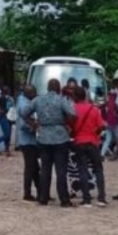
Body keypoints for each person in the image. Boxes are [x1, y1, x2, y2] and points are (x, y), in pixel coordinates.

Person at [30, 78, 76, 207]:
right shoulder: (62, 100)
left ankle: (43, 198)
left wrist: (33, 124)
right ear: (58, 88)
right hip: (60, 137)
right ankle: (64, 200)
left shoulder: (38, 100)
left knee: (45, 169)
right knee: (61, 170)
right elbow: (73, 114)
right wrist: (67, 122)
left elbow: (23, 112)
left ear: (48, 87)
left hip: (43, 136)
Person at [71, 86, 108, 207]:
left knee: (82, 169)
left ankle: (86, 199)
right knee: (98, 169)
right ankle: (101, 197)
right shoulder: (94, 109)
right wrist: (95, 133)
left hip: (79, 142)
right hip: (93, 142)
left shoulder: (73, 109)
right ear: (85, 96)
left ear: (75, 97)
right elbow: (102, 126)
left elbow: (69, 126)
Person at [17, 84, 40, 202]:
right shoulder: (24, 104)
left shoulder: (24, 101)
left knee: (35, 167)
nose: (34, 95)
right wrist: (34, 126)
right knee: (30, 167)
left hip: (29, 140)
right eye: (32, 93)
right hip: (27, 140)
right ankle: (27, 193)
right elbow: (23, 124)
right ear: (27, 93)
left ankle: (41, 191)